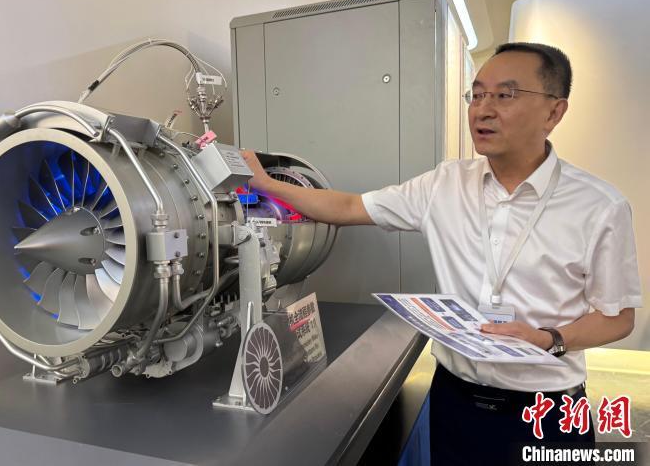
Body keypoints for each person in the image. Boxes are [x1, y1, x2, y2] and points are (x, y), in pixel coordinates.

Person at [240, 42, 642, 465]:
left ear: (554, 112)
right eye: (477, 94)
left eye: (504, 95)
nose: (483, 110)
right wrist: (266, 184)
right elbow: (348, 207)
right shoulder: (445, 184)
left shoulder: (599, 206)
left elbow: (618, 318)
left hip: (545, 411)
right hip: (455, 401)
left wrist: (550, 339)